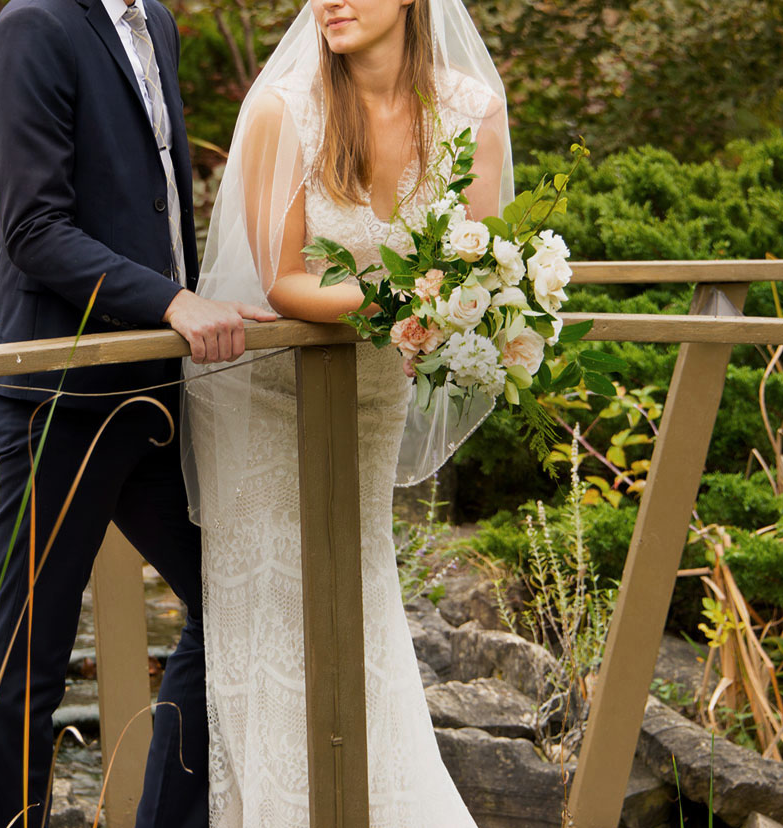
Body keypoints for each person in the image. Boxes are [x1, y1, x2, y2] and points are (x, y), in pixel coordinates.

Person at [181, 0, 513, 824]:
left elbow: (477, 262)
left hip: (372, 396)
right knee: (273, 630)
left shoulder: (472, 111)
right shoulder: (281, 110)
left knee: (362, 605)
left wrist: (442, 314)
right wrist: (398, 302)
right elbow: (283, 280)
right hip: (267, 402)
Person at [0, 0, 274, 825]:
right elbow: (36, 228)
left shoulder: (158, 24)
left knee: (236, 602)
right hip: (60, 395)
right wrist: (171, 300)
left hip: (156, 391)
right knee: (30, 654)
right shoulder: (32, 26)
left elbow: (155, 207)